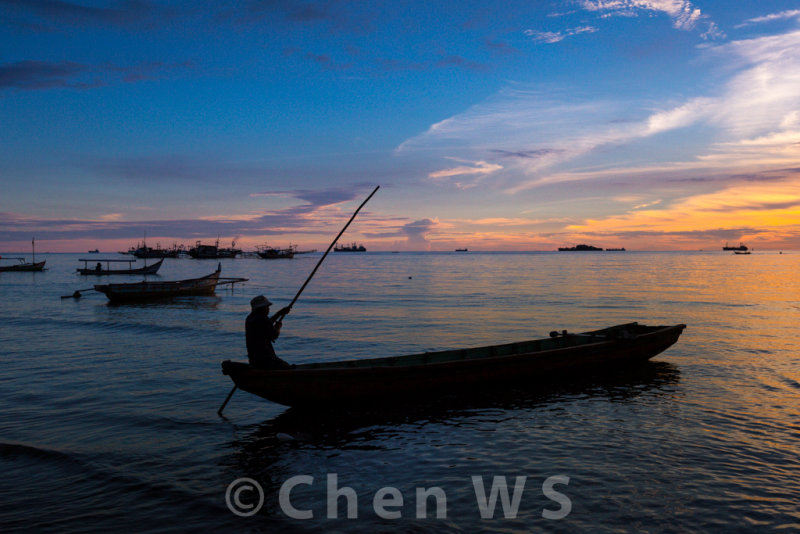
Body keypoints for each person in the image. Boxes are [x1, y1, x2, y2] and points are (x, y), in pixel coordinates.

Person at [246, 295, 292, 370]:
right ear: (260, 309)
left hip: (254, 359)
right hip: (266, 360)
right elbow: (274, 335)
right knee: (287, 367)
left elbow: (266, 324)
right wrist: (278, 327)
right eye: (266, 307)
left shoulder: (250, 318)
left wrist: (280, 313)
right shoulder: (263, 318)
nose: (268, 309)